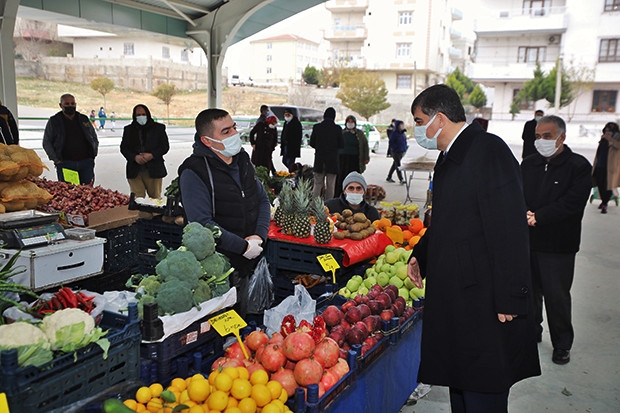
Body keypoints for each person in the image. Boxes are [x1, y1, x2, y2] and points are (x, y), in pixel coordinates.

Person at [407, 84, 540, 412]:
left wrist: (511, 294)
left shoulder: (488, 151)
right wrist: (421, 253)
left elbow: (510, 227)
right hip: (457, 292)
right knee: (461, 379)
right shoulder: (449, 157)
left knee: (483, 384)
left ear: (439, 119)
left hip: (484, 294)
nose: (416, 129)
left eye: (419, 120)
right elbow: (448, 217)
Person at [178, 108, 271, 318]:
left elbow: (263, 200)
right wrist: (242, 246)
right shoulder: (194, 172)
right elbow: (202, 225)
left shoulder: (243, 161)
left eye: (234, 128)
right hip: (217, 272)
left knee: (248, 326)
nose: (234, 135)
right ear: (208, 141)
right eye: (226, 131)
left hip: (250, 260)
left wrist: (258, 237)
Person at [521, 115, 592, 365]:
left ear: (562, 137)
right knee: (529, 294)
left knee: (557, 296)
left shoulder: (579, 166)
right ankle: (532, 332)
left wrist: (539, 216)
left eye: (547, 136)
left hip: (559, 246)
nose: (541, 141)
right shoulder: (529, 164)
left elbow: (572, 203)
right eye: (538, 137)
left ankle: (562, 343)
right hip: (529, 241)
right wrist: (525, 214)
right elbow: (517, 194)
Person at [43, 94, 99, 185]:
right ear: (61, 105)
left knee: (88, 192)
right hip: (66, 164)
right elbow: (46, 142)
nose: (70, 106)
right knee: (70, 192)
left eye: (72, 103)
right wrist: (56, 159)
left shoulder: (83, 119)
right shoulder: (54, 121)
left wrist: (93, 154)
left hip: (86, 163)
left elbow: (93, 136)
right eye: (67, 104)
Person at [120, 104, 170, 198]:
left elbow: (164, 147)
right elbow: (124, 148)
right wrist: (135, 157)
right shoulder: (128, 130)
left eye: (143, 114)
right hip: (135, 170)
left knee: (155, 199)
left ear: (148, 114)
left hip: (154, 169)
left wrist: (152, 155)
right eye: (138, 115)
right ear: (134, 116)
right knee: (138, 200)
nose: (141, 117)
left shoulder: (158, 128)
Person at [310, 107, 344, 199]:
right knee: (331, 185)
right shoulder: (337, 129)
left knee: (317, 184)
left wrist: (320, 148)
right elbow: (341, 144)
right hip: (332, 161)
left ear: (324, 116)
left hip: (319, 160)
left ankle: (314, 206)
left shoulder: (317, 127)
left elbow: (311, 143)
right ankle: (328, 206)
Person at [334, 115, 369, 197]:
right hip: (342, 159)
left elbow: (365, 146)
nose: (350, 123)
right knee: (340, 178)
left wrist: (366, 158)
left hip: (355, 159)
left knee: (353, 177)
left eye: (352, 122)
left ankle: (354, 194)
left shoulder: (359, 134)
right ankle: (339, 195)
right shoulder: (342, 133)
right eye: (348, 122)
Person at [592, 122, 620, 213]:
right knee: (599, 184)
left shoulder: (617, 138)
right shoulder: (603, 138)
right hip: (600, 165)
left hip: (610, 167)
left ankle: (605, 203)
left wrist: (611, 140)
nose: (608, 133)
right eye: (606, 131)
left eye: (610, 131)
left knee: (608, 186)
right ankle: (604, 201)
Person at [386, 120, 407, 184]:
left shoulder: (403, 134)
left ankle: (389, 177)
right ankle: (401, 179)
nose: (402, 126)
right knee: (398, 165)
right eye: (400, 125)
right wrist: (395, 148)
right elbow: (391, 142)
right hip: (395, 151)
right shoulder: (394, 134)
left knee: (394, 164)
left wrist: (404, 149)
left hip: (401, 151)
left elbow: (404, 142)